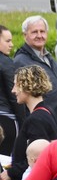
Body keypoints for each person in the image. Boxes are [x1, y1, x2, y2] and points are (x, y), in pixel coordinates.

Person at [13, 15, 57, 130]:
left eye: (42, 31)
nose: (39, 35)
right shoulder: (22, 61)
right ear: (25, 35)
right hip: (40, 124)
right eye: (34, 32)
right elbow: (20, 100)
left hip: (54, 122)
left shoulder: (48, 57)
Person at [0, 24, 23, 156]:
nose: (12, 45)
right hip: (6, 120)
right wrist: (24, 122)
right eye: (7, 41)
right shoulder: (6, 63)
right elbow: (14, 95)